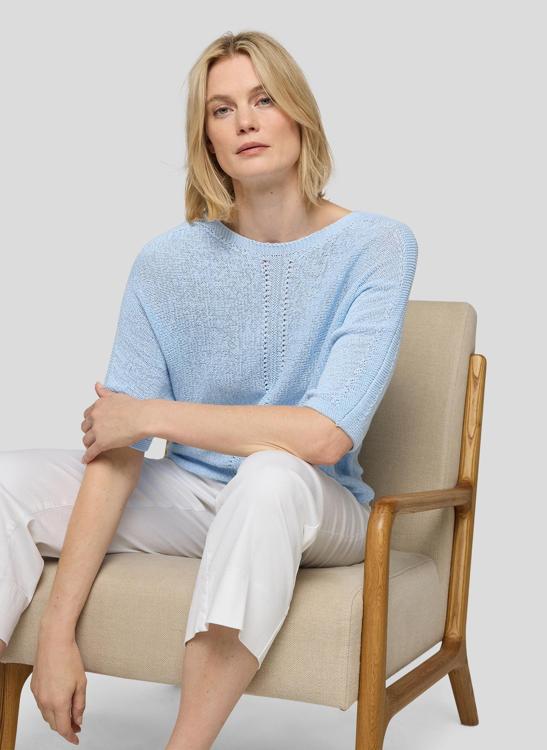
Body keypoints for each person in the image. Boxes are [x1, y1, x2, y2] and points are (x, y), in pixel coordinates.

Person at [0, 29, 418, 750]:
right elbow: (119, 449)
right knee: (8, 481)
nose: (245, 121)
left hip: (318, 501)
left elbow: (324, 436)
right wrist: (57, 637)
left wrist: (152, 415)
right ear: (208, 140)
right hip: (194, 497)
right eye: (222, 110)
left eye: (264, 100)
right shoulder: (166, 262)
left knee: (269, 476)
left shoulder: (377, 245)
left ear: (300, 116)